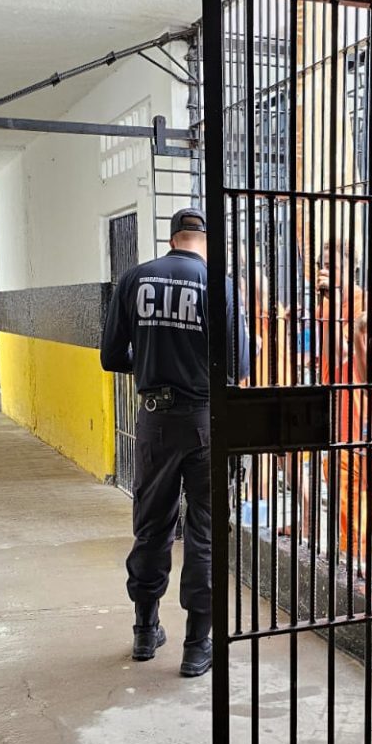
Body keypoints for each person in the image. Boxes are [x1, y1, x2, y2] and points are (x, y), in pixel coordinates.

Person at [100, 206, 249, 677]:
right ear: (206, 241)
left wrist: (149, 363)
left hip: (154, 422)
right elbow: (240, 366)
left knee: (152, 526)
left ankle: (145, 631)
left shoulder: (134, 279)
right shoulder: (220, 285)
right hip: (206, 421)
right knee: (205, 532)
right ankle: (197, 646)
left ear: (171, 239)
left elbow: (110, 356)